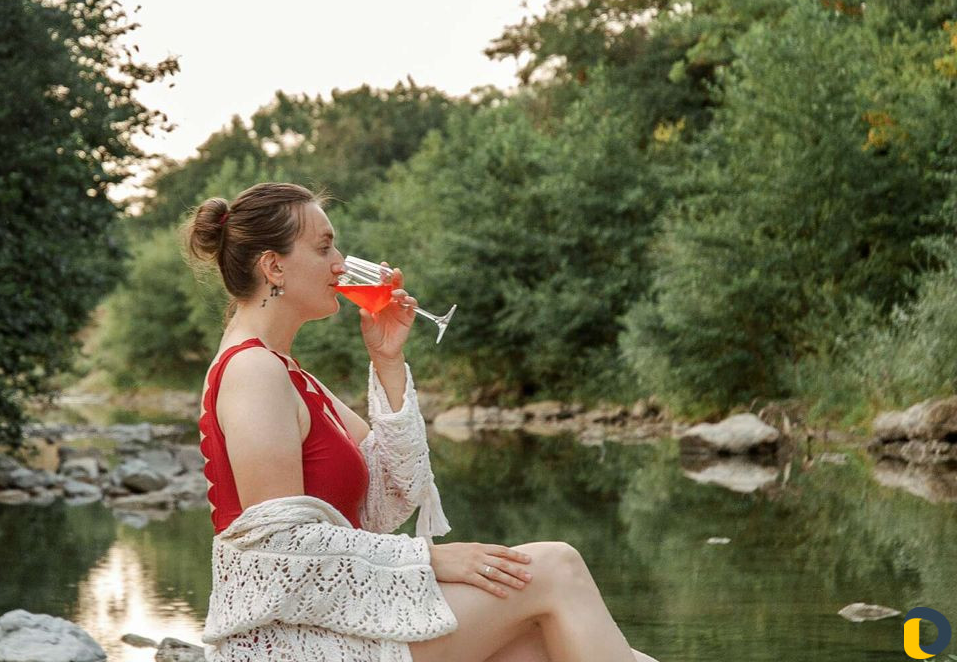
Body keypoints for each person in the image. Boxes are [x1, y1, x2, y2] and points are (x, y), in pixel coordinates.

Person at [186, 182, 657, 662]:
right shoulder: (252, 371)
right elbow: (281, 546)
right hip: (289, 644)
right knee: (557, 569)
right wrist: (430, 558)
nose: (341, 264)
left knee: (559, 646)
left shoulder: (288, 372)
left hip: (326, 623)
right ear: (273, 266)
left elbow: (393, 492)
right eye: (325, 248)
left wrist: (388, 360)